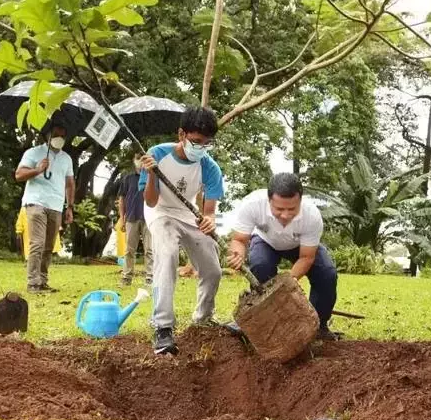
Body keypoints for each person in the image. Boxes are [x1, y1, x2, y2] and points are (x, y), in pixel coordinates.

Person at [138, 106, 224, 355]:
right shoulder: (157, 154)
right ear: (181, 134)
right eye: (196, 141)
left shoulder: (209, 167)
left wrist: (208, 220)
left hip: (188, 214)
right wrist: (153, 174)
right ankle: (162, 326)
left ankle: (203, 318)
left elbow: (208, 210)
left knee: (213, 269)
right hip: (160, 212)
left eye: (206, 144)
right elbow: (151, 201)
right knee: (166, 256)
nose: (201, 148)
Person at [226, 172, 340, 341]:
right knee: (260, 265)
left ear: (300, 201)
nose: (285, 215)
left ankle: (319, 325)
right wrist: (238, 254)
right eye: (279, 209)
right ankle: (260, 322)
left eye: (292, 209)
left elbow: (307, 257)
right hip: (266, 242)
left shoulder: (312, 215)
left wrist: (289, 282)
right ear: (269, 200)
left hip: (298, 246)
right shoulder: (253, 204)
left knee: (327, 274)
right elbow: (239, 240)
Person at [15, 125, 75, 293]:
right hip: (36, 202)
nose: (59, 138)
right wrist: (38, 169)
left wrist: (70, 206)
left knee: (49, 246)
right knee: (37, 243)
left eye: (63, 135)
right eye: (56, 134)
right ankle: (33, 283)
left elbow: (70, 184)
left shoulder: (67, 159)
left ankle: (42, 280)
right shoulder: (33, 153)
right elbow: (19, 175)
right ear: (47, 136)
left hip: (56, 205)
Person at [118, 152, 153, 286]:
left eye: (142, 158)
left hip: (149, 218)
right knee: (129, 250)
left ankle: (150, 278)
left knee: (149, 250)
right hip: (131, 217)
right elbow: (121, 199)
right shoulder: (127, 178)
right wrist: (122, 218)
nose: (140, 161)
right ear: (134, 160)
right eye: (138, 158)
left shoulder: (152, 176)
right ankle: (126, 277)